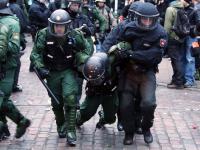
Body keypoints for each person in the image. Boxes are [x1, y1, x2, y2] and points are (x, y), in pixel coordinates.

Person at [101, 2, 167, 145]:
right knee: (125, 105)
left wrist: (131, 55)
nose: (147, 23)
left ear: (155, 19)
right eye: (144, 19)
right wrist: (109, 55)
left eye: (150, 20)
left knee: (148, 104)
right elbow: (111, 42)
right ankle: (129, 132)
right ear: (138, 17)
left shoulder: (160, 33)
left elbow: (155, 56)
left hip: (147, 72)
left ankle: (146, 128)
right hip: (128, 72)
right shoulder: (126, 28)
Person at [30, 9, 91, 146]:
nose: (58, 28)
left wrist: (80, 58)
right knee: (56, 102)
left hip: (68, 70)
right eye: (56, 26)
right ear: (52, 25)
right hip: (52, 72)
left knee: (70, 97)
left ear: (67, 25)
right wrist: (40, 67)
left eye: (61, 26)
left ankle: (71, 131)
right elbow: (35, 54)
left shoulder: (75, 35)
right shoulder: (44, 34)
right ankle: (61, 124)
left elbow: (88, 49)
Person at [0, 0, 31, 139]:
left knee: (2, 97)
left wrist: (2, 44)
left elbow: (14, 47)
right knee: (3, 100)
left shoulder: (12, 22)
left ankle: (12, 124)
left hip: (7, 66)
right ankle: (11, 125)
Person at [76, 52, 118, 129]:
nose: (96, 81)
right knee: (86, 113)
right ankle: (77, 120)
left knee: (110, 119)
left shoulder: (114, 66)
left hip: (110, 93)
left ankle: (103, 119)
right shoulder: (85, 68)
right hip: (94, 92)